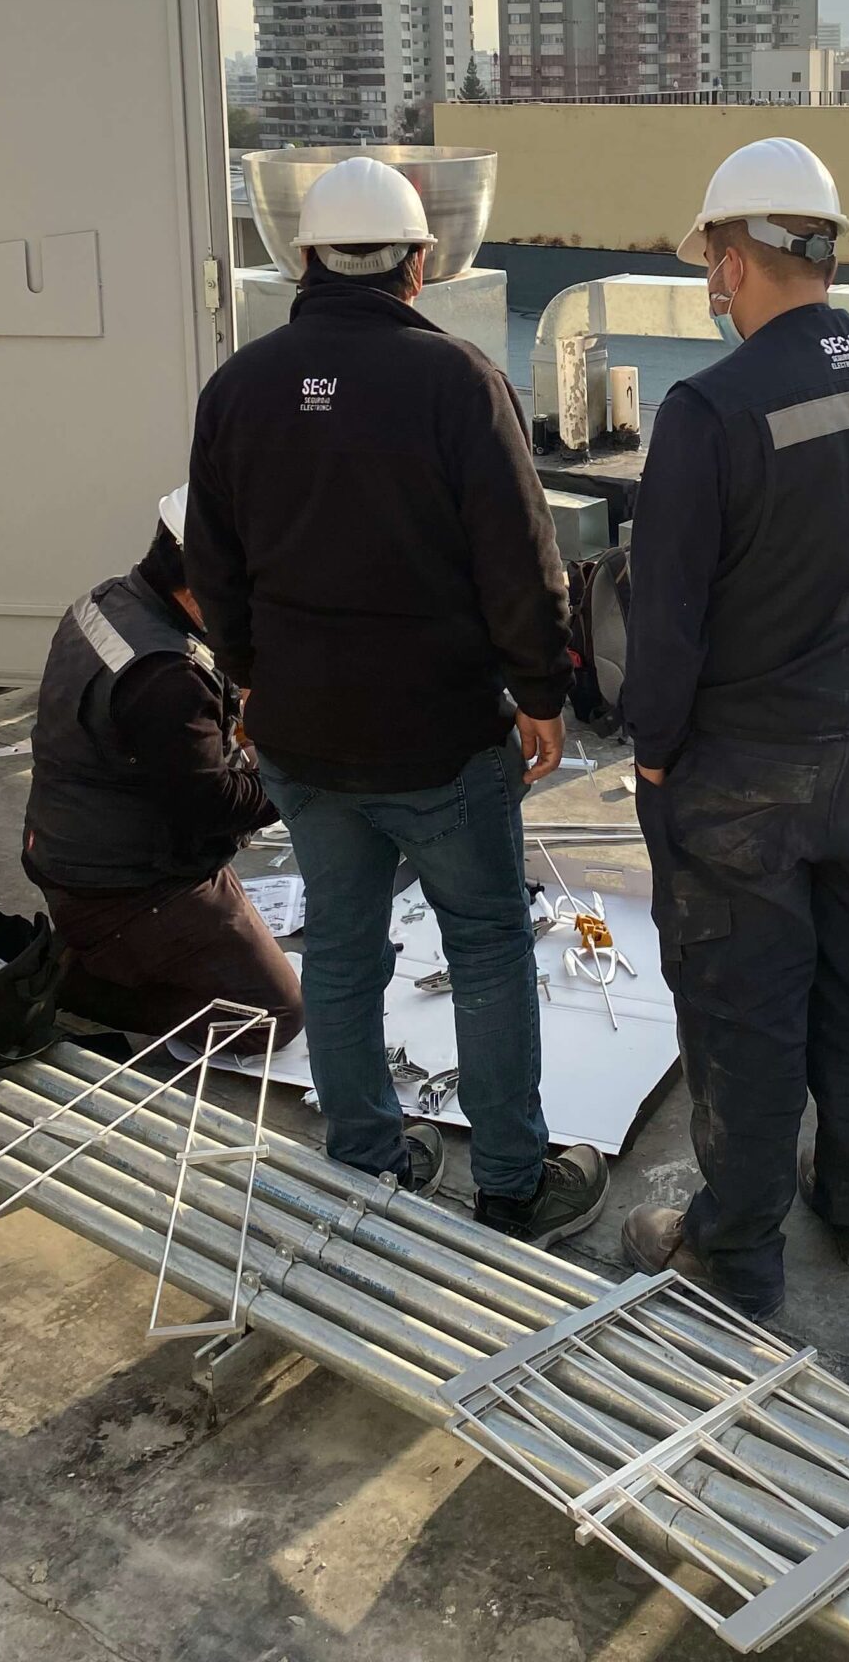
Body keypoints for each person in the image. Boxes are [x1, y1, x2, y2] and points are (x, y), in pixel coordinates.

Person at [184, 155, 608, 1242]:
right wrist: (542, 691)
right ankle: (511, 1182)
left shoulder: (238, 388)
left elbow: (213, 568)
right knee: (487, 947)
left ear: (304, 262)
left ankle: (366, 1160)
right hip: (440, 738)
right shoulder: (458, 380)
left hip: (303, 740)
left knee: (342, 949)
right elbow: (523, 559)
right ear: (420, 265)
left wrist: (252, 676)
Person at [621, 138, 849, 1317]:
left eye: (712, 261)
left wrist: (653, 750)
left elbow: (665, 617)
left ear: (731, 260)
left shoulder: (710, 408)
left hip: (741, 773)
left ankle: (738, 1249)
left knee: (744, 1009)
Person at [21, 486, 306, 1058]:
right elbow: (214, 805)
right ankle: (71, 983)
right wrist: (303, 773)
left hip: (77, 848)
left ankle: (106, 953)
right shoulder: (166, 678)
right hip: (129, 887)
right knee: (274, 1017)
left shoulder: (109, 602)